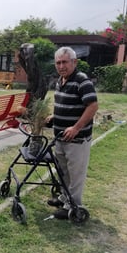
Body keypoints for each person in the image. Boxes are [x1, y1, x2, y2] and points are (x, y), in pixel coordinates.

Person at [46, 46, 98, 219]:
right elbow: (67, 103)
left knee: (75, 174)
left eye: (65, 62)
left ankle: (73, 206)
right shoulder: (60, 81)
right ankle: (64, 198)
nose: (61, 66)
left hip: (77, 139)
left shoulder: (82, 80)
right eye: (58, 62)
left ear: (74, 62)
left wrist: (76, 128)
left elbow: (92, 106)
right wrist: (54, 116)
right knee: (63, 171)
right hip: (60, 137)